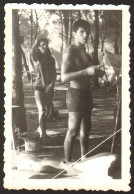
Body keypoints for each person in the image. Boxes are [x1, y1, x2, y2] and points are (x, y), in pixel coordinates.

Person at [61, 20, 104, 162]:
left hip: (86, 94)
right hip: (75, 94)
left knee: (86, 130)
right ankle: (67, 163)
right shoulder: (70, 50)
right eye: (81, 32)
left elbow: (89, 72)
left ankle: (85, 160)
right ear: (74, 34)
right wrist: (86, 71)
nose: (85, 35)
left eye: (87, 32)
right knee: (73, 131)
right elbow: (63, 77)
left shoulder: (84, 51)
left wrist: (98, 72)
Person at [30, 37, 56, 138]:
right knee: (41, 109)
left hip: (49, 87)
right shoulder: (36, 58)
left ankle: (41, 128)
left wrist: (51, 85)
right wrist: (35, 43)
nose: (44, 46)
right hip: (39, 87)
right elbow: (31, 51)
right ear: (38, 47)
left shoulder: (52, 59)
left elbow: (54, 74)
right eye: (42, 45)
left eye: (46, 44)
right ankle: (43, 134)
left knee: (47, 109)